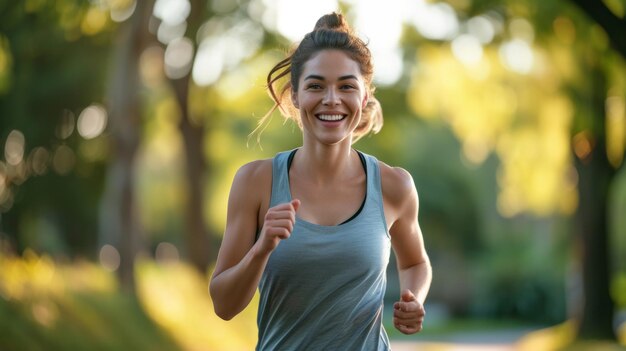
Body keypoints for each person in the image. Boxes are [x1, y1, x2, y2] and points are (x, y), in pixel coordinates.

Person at [209, 12, 432, 350]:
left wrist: (413, 297)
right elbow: (224, 305)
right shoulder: (256, 182)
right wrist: (262, 248)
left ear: (365, 96)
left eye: (346, 86)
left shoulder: (394, 185)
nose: (331, 99)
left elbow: (415, 262)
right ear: (295, 96)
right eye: (315, 85)